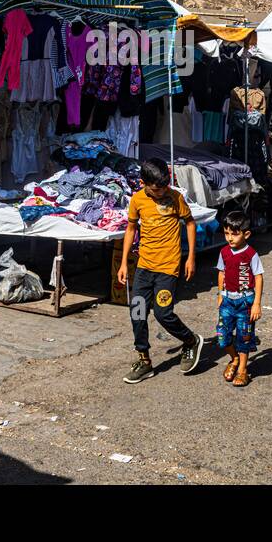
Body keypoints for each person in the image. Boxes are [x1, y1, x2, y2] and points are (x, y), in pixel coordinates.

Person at [117, 158, 204, 383]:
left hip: (168, 267)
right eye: (156, 188)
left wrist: (191, 257)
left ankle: (191, 340)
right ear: (143, 183)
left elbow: (191, 224)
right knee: (137, 312)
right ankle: (144, 361)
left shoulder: (176, 198)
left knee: (163, 313)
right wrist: (124, 262)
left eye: (164, 186)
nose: (161, 192)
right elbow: (130, 229)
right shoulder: (137, 200)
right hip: (144, 267)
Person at [215, 209, 263, 388]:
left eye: (234, 234)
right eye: (227, 233)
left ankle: (243, 370)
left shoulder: (251, 254)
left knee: (244, 337)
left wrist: (257, 303)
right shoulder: (224, 252)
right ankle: (234, 359)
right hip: (227, 300)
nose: (229, 238)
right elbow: (221, 273)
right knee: (222, 335)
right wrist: (220, 294)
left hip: (245, 302)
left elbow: (258, 277)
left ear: (246, 234)